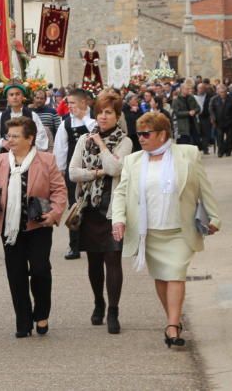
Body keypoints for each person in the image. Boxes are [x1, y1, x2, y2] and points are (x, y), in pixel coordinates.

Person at [111, 112, 221, 349]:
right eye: (138, 133)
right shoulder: (133, 161)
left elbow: (204, 187)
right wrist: (118, 219)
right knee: (161, 277)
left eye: (146, 133)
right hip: (149, 231)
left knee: (175, 273)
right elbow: (121, 192)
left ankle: (172, 325)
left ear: (162, 134)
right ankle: (173, 317)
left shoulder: (188, 154)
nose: (141, 138)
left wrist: (215, 217)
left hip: (179, 230)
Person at [0, 117, 67, 337]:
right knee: (16, 274)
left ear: (30, 138)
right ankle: (23, 320)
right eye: (9, 136)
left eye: (16, 136)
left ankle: (42, 314)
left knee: (40, 270)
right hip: (9, 228)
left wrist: (55, 213)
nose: (10, 140)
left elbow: (59, 190)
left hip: (38, 226)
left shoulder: (46, 160)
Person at [68, 94, 134, 334]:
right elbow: (73, 172)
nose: (103, 117)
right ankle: (98, 301)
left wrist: (103, 145)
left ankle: (113, 310)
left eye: (109, 113)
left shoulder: (124, 141)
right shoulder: (84, 140)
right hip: (89, 209)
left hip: (112, 209)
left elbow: (115, 168)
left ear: (117, 116)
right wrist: (95, 174)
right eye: (100, 112)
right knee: (94, 261)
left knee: (113, 258)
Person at [53, 88, 96, 260]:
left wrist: (84, 118)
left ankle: (95, 243)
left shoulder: (94, 119)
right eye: (67, 103)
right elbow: (61, 148)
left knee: (94, 205)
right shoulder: (66, 123)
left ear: (84, 102)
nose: (69, 106)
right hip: (74, 171)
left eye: (72, 103)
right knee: (75, 207)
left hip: (94, 169)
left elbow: (98, 132)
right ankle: (74, 246)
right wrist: (60, 171)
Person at [0, 83, 51, 155]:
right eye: (11, 95)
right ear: (7, 98)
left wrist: (26, 144)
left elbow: (42, 138)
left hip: (29, 158)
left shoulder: (32, 116)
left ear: (22, 97)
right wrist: (2, 142)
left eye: (17, 94)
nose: (15, 97)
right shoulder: (0, 117)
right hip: (7, 159)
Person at [210, 84, 232, 158]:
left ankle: (228, 151)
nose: (223, 94)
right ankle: (221, 151)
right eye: (221, 92)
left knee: (229, 137)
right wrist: (213, 117)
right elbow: (211, 109)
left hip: (229, 121)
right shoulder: (214, 99)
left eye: (224, 92)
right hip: (219, 122)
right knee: (219, 138)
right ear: (218, 92)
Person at [171, 80, 201, 146]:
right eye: (187, 89)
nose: (189, 90)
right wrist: (188, 113)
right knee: (184, 143)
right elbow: (177, 113)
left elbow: (198, 108)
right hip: (183, 125)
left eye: (189, 89)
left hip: (193, 123)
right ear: (182, 89)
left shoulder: (191, 98)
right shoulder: (176, 100)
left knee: (194, 143)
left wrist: (194, 111)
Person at [194, 82, 212, 155]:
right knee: (196, 133)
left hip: (205, 117)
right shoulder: (193, 97)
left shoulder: (209, 97)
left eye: (202, 88)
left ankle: (205, 149)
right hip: (196, 117)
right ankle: (197, 148)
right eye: (199, 88)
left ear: (205, 89)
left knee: (205, 134)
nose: (201, 90)